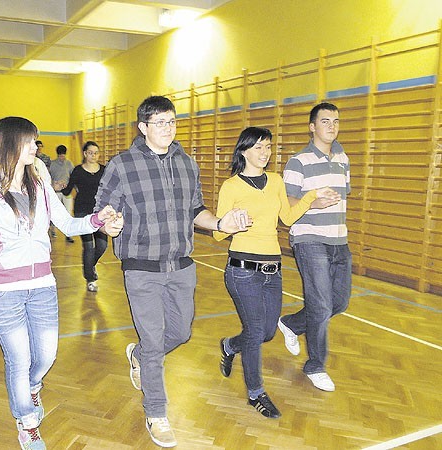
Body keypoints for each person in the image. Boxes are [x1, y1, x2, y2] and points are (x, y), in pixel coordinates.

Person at [0, 117, 122, 450]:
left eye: (37, 141)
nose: (36, 147)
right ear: (11, 144)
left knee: (45, 357)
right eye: (31, 141)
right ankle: (27, 423)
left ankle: (31, 388)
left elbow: (68, 224)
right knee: (18, 358)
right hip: (2, 293)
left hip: (42, 285)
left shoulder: (40, 185)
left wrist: (98, 220)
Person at [94, 95, 249, 448]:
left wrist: (222, 222)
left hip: (181, 266)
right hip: (141, 268)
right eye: (160, 122)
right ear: (143, 127)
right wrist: (111, 224)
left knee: (180, 333)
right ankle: (157, 411)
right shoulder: (122, 165)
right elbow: (103, 211)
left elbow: (197, 210)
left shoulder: (187, 164)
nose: (167, 128)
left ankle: (137, 355)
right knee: (153, 340)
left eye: (172, 122)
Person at [214, 127, 340, 418]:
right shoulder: (230, 186)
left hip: (273, 269)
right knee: (257, 331)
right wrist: (230, 223)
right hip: (242, 270)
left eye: (268, 147)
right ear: (244, 150)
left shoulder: (275, 181)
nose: (265, 153)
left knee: (267, 332)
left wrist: (309, 198)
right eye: (258, 147)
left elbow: (286, 217)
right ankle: (255, 392)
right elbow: (220, 235)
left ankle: (230, 345)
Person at [278, 102, 352, 392]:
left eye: (335, 120)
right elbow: (287, 205)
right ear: (312, 127)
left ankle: (292, 324)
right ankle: (316, 365)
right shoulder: (299, 162)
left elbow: (342, 197)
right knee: (320, 305)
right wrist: (312, 201)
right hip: (309, 238)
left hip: (339, 240)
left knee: (339, 302)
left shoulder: (343, 158)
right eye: (325, 121)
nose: (331, 126)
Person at [62, 141, 107, 292]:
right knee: (88, 246)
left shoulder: (104, 170)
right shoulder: (78, 171)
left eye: (96, 153)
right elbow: (67, 191)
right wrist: (60, 186)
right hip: (82, 211)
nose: (93, 155)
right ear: (85, 154)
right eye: (90, 152)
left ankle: (89, 265)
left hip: (99, 213)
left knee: (102, 246)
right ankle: (90, 279)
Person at [49, 144, 75, 242]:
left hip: (67, 191)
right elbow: (48, 177)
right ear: (57, 155)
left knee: (68, 213)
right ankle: (53, 229)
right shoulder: (52, 164)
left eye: (63, 155)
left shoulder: (69, 164)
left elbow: (73, 177)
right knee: (54, 212)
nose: (62, 157)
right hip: (56, 192)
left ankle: (68, 234)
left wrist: (74, 188)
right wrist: (53, 183)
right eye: (60, 156)